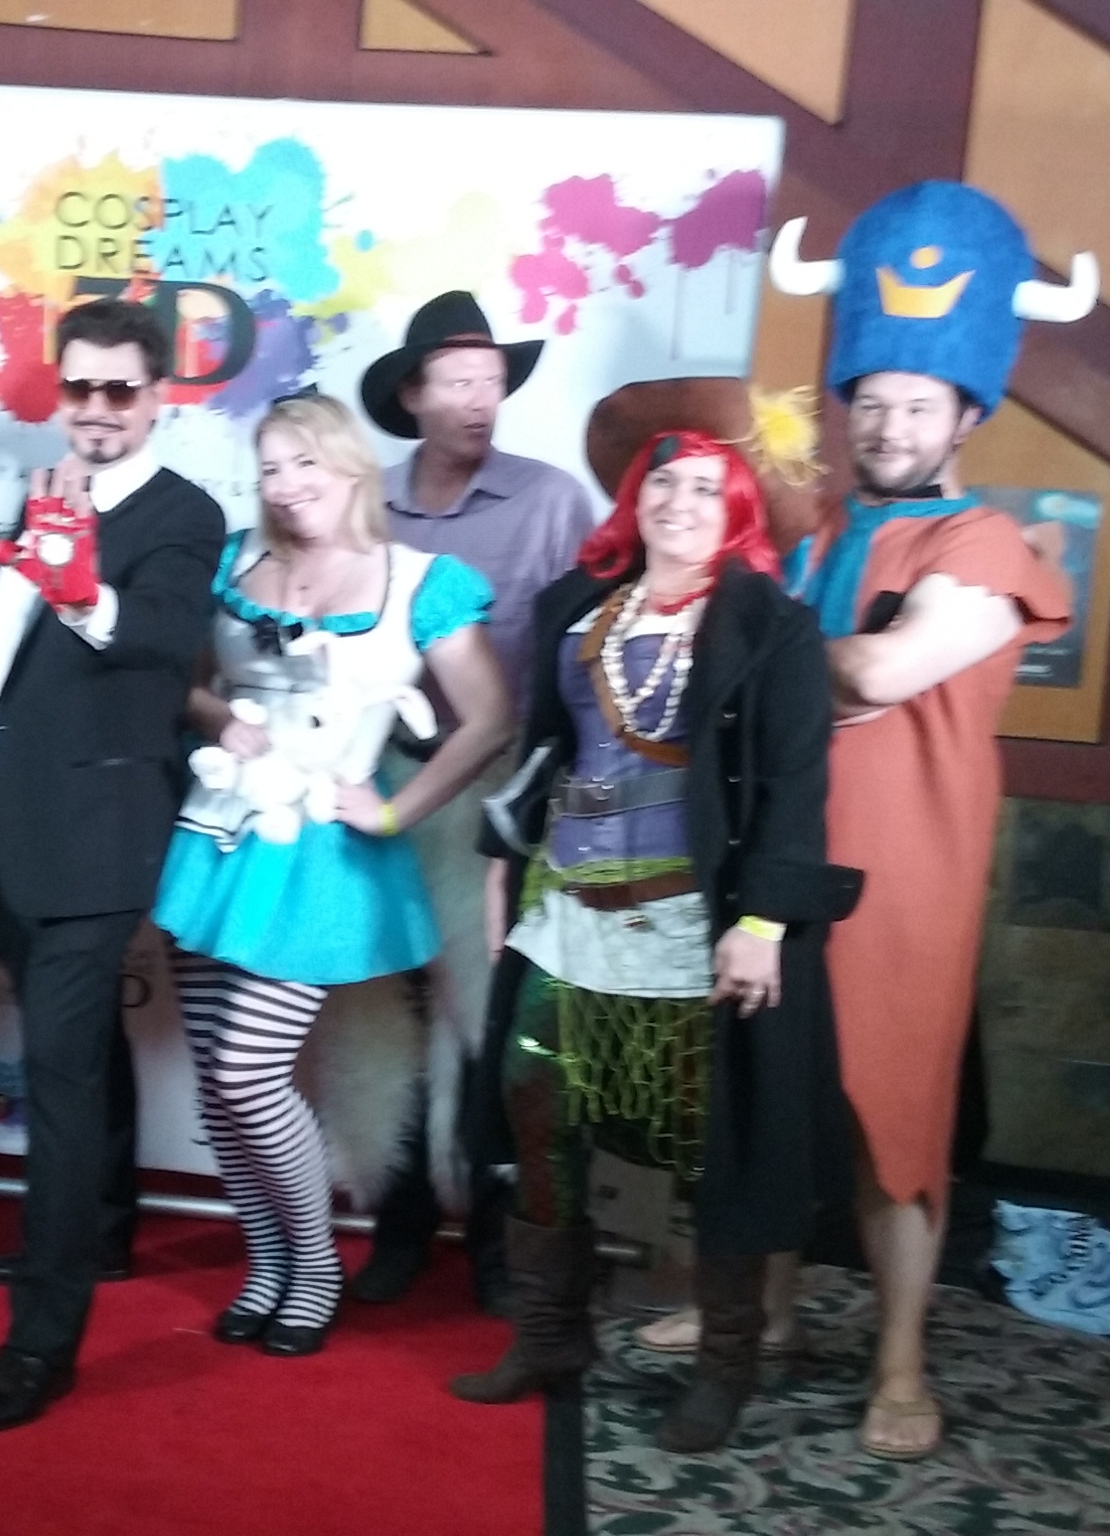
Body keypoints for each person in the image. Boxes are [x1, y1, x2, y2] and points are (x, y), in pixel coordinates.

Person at [444, 416, 858, 1455]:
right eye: (663, 484)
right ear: (637, 500)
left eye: (706, 489)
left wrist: (762, 921)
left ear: (737, 512)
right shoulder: (574, 608)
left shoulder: (774, 627)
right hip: (565, 920)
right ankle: (550, 1341)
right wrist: (501, 866)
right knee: (536, 1121)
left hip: (692, 928)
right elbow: (542, 755)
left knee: (714, 1154)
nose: (679, 503)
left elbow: (795, 787)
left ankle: (725, 1369)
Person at [766, 180, 1086, 1459]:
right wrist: (810, 660)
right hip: (780, 855)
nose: (888, 425)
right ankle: (767, 1317)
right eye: (872, 401)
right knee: (772, 1101)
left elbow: (882, 671)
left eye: (916, 405)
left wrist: (776, 654)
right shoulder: (821, 528)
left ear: (965, 413)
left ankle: (899, 1365)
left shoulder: (988, 547)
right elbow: (821, 669)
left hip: (905, 874)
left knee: (891, 1117)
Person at [152, 392, 511, 1355]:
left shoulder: (421, 582)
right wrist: (217, 717)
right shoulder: (235, 561)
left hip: (324, 857)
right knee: (219, 1083)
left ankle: (313, 1267)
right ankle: (267, 1263)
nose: (286, 484)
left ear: (350, 464)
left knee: (249, 1071)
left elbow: (489, 718)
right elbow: (185, 681)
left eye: (303, 462)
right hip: (219, 836)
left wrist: (397, 809)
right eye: (270, 467)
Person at [0, 297, 226, 1435]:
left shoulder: (183, 512)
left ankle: (40, 1343)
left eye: (121, 389)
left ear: (157, 397)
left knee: (57, 1084)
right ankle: (99, 1229)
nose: (99, 407)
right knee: (79, 1054)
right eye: (82, 387)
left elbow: (161, 635)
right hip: (15, 823)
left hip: (99, 838)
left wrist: (80, 589)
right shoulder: (45, 491)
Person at [353, 290, 599, 1313]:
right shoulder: (364, 501)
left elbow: (587, 653)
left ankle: (501, 1244)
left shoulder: (553, 501)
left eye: (491, 381)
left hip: (498, 797)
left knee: (492, 1023)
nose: (477, 399)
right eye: (456, 381)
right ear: (412, 395)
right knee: (381, 1008)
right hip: (376, 783)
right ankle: (400, 1223)